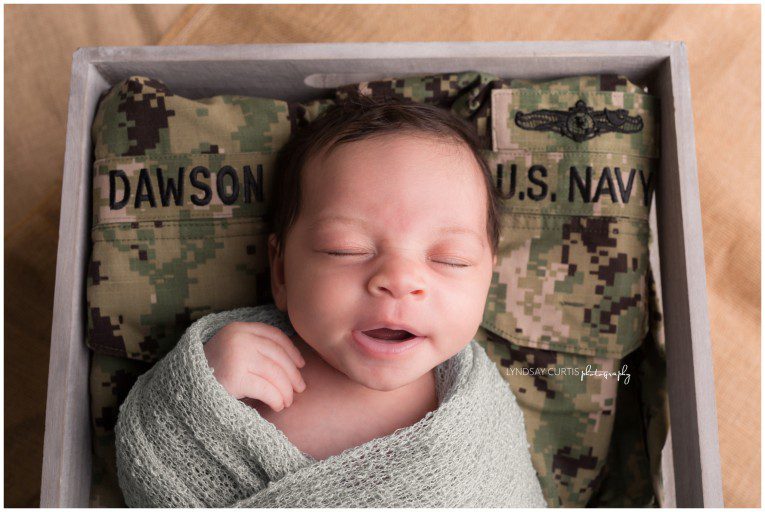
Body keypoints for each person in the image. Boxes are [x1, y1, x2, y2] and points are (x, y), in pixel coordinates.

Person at [115, 96, 546, 508]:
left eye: (449, 259)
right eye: (346, 249)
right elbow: (149, 471)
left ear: (487, 278)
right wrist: (199, 386)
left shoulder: (479, 424)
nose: (399, 281)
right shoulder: (244, 370)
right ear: (280, 272)